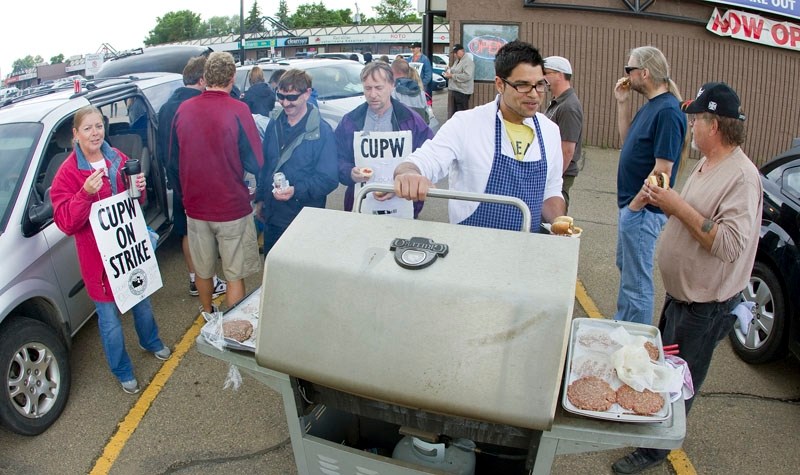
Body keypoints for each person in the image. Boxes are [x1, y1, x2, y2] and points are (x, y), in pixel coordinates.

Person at [611, 83, 760, 474]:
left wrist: (676, 205)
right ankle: (653, 430)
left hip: (704, 308)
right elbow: (694, 215)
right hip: (683, 298)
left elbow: (728, 244)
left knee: (678, 382)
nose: (690, 127)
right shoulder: (708, 162)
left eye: (695, 120)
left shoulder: (742, 178)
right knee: (665, 368)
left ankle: (655, 450)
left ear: (713, 125)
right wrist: (663, 199)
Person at [51, 105, 170, 394]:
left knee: (141, 300)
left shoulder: (116, 157)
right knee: (109, 321)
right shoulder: (67, 174)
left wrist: (138, 188)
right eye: (88, 128)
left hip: (128, 253)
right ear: (76, 134)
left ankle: (150, 341)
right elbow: (66, 222)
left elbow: (134, 205)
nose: (95, 133)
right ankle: (122, 370)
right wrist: (85, 194)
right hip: (98, 261)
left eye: (99, 126)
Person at [393, 40, 566, 231]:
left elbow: (551, 188)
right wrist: (408, 173)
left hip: (527, 249)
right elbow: (425, 160)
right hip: (472, 247)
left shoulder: (550, 131)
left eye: (540, 85)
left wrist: (560, 223)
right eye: (523, 85)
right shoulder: (466, 124)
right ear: (500, 84)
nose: (534, 94)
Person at [169, 51, 263, 314]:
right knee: (234, 274)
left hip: (196, 208)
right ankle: (231, 326)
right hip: (231, 206)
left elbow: (171, 161)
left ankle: (208, 314)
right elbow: (256, 161)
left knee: (203, 270)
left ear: (205, 77)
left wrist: (186, 194)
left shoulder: (183, 110)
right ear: (232, 77)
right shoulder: (238, 110)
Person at [613, 46, 687, 325]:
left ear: (644, 72)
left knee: (638, 283)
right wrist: (622, 103)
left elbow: (663, 171)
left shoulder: (668, 111)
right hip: (633, 207)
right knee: (627, 271)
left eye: (628, 69)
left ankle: (637, 341)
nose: (627, 75)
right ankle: (622, 324)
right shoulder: (652, 106)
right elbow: (626, 143)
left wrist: (635, 206)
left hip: (643, 211)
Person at [158, 56, 227, 299]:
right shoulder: (199, 104)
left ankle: (193, 279)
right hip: (201, 181)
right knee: (207, 232)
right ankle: (209, 280)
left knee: (187, 232)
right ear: (202, 79)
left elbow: (162, 149)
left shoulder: (165, 107)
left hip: (177, 181)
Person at [255, 68, 338, 255]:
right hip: (273, 217)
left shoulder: (322, 132)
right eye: (280, 96)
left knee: (300, 275)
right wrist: (261, 198)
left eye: (291, 98)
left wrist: (296, 190)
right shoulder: (274, 122)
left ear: (307, 93)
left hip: (304, 219)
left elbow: (329, 178)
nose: (285, 103)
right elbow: (266, 164)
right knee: (274, 269)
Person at [336, 62, 433, 218]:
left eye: (378, 88)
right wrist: (349, 172)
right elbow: (338, 157)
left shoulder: (411, 120)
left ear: (391, 85)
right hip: (361, 204)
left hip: (403, 206)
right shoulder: (350, 121)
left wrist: (408, 183)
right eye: (368, 88)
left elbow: (429, 157)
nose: (373, 94)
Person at [544, 55, 584, 209]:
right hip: (554, 173)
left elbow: (567, 151)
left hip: (560, 175)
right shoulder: (558, 102)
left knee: (554, 219)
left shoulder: (568, 107)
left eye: (546, 72)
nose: (543, 78)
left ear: (559, 75)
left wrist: (553, 179)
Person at [391, 58, 430, 124]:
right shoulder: (421, 93)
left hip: (400, 132)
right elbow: (427, 118)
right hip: (418, 131)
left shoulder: (392, 92)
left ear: (392, 71)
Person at [241, 66, 276, 139]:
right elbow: (272, 107)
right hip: (268, 126)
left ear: (250, 79)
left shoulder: (248, 95)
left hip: (254, 130)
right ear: (262, 77)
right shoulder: (271, 92)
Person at [443, 43, 474, 114]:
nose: (455, 54)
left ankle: (463, 125)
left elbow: (467, 76)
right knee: (456, 112)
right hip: (456, 90)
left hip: (462, 92)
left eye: (456, 52)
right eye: (454, 53)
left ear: (462, 51)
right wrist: (449, 69)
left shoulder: (468, 62)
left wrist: (452, 76)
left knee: (461, 113)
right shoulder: (457, 60)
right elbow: (455, 71)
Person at [409, 41, 433, 106]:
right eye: (411, 48)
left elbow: (428, 74)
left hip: (421, 87)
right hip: (410, 86)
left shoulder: (425, 59)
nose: (412, 49)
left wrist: (421, 84)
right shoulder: (409, 59)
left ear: (419, 48)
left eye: (414, 48)